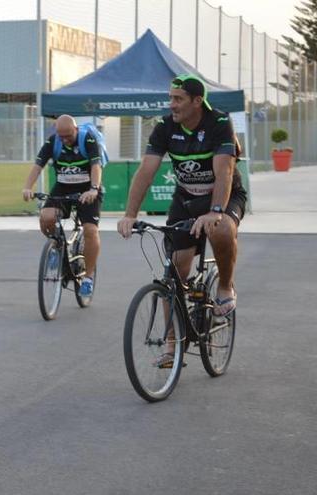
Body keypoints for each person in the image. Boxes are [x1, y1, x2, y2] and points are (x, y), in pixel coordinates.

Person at [117, 74, 246, 367]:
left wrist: (215, 210)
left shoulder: (219, 123)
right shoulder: (165, 126)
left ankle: (225, 286)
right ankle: (174, 343)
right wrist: (130, 215)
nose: (171, 104)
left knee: (222, 228)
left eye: (178, 99)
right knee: (174, 272)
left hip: (223, 196)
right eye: (170, 98)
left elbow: (225, 171)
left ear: (197, 101)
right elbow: (146, 171)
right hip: (186, 199)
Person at [22, 114, 104, 298]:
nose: (65, 140)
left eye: (68, 135)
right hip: (63, 186)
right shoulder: (54, 142)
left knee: (91, 230)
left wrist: (93, 189)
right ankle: (57, 249)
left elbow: (96, 166)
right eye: (61, 136)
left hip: (87, 188)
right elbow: (38, 165)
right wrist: (28, 187)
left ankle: (88, 278)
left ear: (76, 129)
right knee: (46, 217)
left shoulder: (87, 139)